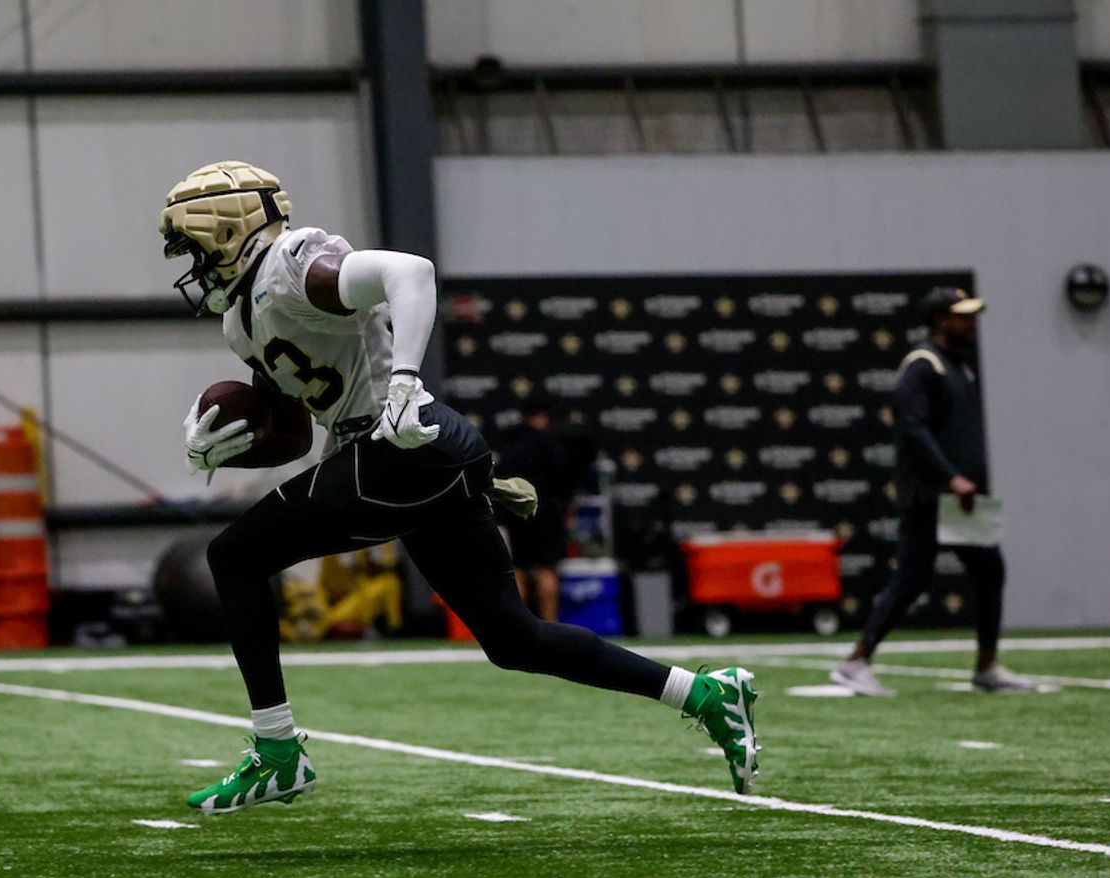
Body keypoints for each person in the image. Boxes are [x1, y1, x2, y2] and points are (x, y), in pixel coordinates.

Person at [161, 161, 760, 814]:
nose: (191, 265)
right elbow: (296, 438)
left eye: (194, 247)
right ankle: (703, 694)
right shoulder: (242, 320)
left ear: (227, 230)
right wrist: (223, 447)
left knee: (234, 556)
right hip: (399, 465)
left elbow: (410, 272)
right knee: (514, 639)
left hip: (401, 448)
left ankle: (278, 754)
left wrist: (406, 382)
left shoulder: (291, 266)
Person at [832, 288, 1033, 696]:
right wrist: (950, 477)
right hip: (931, 494)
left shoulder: (958, 366)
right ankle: (856, 661)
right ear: (941, 320)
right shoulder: (923, 365)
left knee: (989, 570)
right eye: (963, 316)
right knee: (912, 578)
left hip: (960, 498)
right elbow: (912, 426)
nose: (972, 323)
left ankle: (987, 666)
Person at [496, 404, 574, 622]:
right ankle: (550, 627)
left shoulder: (509, 444)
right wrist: (566, 511)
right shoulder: (550, 445)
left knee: (517, 570)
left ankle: (519, 628)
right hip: (546, 516)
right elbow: (564, 485)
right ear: (541, 417)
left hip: (514, 514)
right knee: (546, 572)